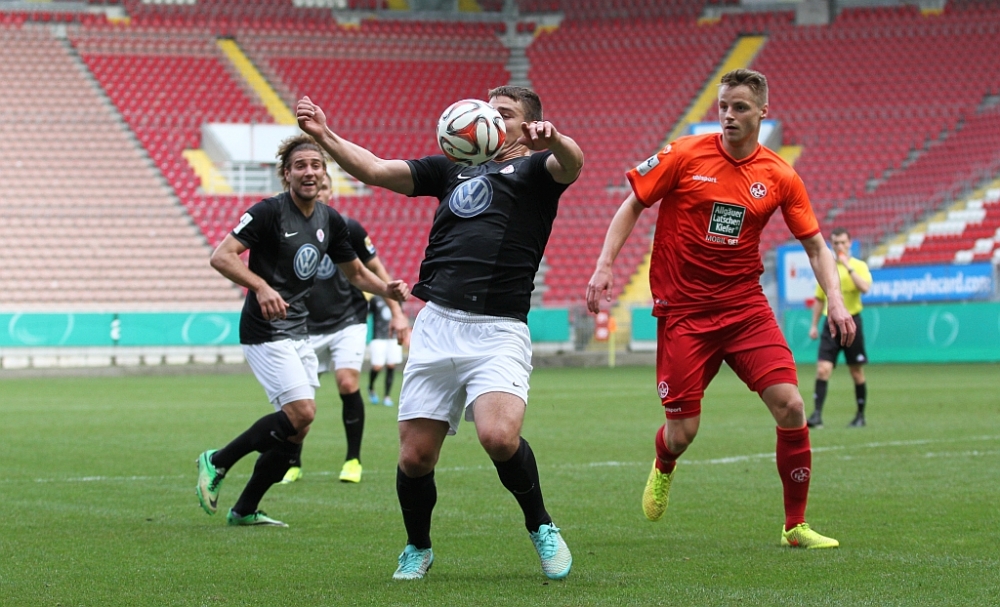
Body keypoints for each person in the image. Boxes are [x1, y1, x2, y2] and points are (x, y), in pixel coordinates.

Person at [296, 85, 584, 580]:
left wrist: (554, 139)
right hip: (437, 324)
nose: (490, 118)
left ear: (529, 124)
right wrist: (325, 134)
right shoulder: (452, 168)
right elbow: (375, 169)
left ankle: (541, 525)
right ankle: (418, 547)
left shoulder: (539, 170)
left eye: (505, 114)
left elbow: (573, 162)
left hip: (497, 328)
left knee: (498, 437)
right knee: (415, 457)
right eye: (488, 110)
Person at [586, 68, 855, 549]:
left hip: (745, 308)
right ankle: (664, 463)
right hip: (685, 312)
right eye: (723, 107)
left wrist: (835, 299)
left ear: (763, 111)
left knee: (792, 405)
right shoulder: (683, 154)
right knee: (682, 433)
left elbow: (816, 245)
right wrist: (605, 265)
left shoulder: (779, 175)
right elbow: (632, 204)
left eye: (740, 108)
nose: (728, 116)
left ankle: (795, 526)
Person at [195, 134, 409, 527]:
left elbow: (356, 272)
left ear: (325, 173)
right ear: (286, 174)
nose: (309, 172)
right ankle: (218, 460)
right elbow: (221, 256)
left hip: (298, 329)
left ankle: (244, 509)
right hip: (264, 329)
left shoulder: (330, 220)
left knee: (298, 429)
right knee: (302, 412)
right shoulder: (268, 212)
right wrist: (261, 287)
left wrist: (386, 290)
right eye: (300, 166)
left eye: (315, 165)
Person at [281, 174, 411, 485]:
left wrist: (396, 312)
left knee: (347, 381)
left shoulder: (347, 228)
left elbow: (376, 269)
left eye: (325, 187)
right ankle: (292, 461)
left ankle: (353, 460)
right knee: (300, 399)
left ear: (329, 192)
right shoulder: (287, 230)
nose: (319, 192)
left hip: (348, 320)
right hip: (305, 325)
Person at [806, 227, 872, 429]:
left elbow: (865, 288)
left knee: (856, 372)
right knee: (823, 369)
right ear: (831, 245)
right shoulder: (827, 267)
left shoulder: (858, 266)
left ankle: (860, 415)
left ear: (849, 243)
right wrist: (814, 325)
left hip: (852, 323)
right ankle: (817, 415)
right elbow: (819, 298)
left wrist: (847, 266)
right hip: (831, 323)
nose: (839, 246)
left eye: (843, 242)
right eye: (835, 243)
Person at [367, 295, 404, 408]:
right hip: (378, 336)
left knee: (391, 365)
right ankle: (371, 387)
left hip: (393, 336)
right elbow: (367, 315)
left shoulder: (396, 298)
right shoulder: (375, 299)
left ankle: (387, 396)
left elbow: (400, 316)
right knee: (377, 366)